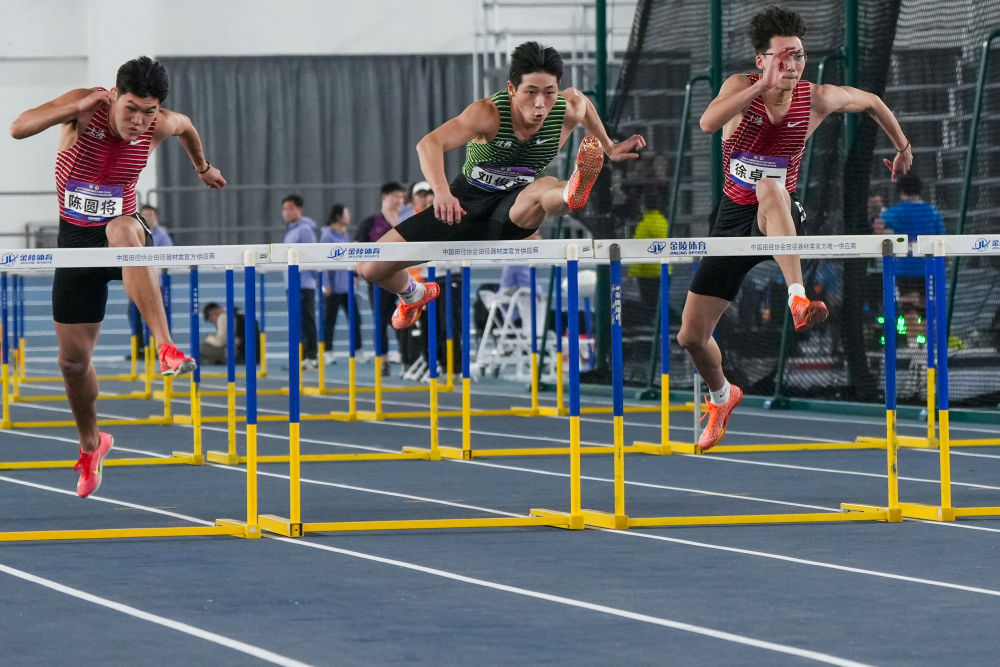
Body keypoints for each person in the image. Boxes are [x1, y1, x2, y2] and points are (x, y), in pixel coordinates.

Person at [677, 5, 912, 451]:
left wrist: (902, 146)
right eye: (782, 57)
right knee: (691, 336)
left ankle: (797, 297)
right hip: (732, 219)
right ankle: (722, 396)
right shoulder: (740, 87)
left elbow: (872, 101)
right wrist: (761, 86)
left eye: (799, 56)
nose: (793, 65)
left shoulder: (816, 98)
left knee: (770, 188)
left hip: (781, 212)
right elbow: (707, 123)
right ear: (761, 60)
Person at [9, 55, 226, 498]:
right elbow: (19, 127)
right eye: (131, 109)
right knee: (72, 363)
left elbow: (186, 127)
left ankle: (165, 346)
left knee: (123, 228)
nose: (139, 122)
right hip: (75, 241)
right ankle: (92, 444)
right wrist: (73, 108)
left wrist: (202, 167)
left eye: (148, 112)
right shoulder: (85, 107)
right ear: (114, 96)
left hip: (122, 233)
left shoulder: (159, 124)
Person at [355, 41, 646, 332]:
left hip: (514, 209)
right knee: (370, 267)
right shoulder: (487, 113)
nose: (540, 103)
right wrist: (442, 193)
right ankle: (413, 294)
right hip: (463, 206)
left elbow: (582, 103)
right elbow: (429, 144)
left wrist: (609, 147)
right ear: (512, 89)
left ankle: (572, 190)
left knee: (542, 189)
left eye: (549, 92)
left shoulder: (566, 108)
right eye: (530, 92)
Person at [355, 182, 407, 375]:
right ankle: (383, 360)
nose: (399, 201)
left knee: (405, 319)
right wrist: (356, 273)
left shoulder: (407, 219)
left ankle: (406, 358)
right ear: (384, 197)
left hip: (404, 277)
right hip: (379, 281)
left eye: (401, 197)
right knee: (381, 321)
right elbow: (357, 249)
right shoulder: (371, 223)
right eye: (395, 197)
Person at [873, 172, 944, 312]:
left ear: (900, 191)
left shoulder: (897, 211)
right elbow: (942, 239)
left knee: (909, 311)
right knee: (930, 310)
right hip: (930, 269)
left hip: (905, 269)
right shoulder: (933, 212)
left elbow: (878, 224)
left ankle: (913, 316)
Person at [127, 203, 172, 358]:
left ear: (156, 217)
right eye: (144, 215)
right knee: (133, 315)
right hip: (136, 282)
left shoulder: (162, 236)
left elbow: (170, 257)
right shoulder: (133, 232)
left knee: (156, 316)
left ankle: (160, 347)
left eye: (150, 215)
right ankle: (139, 348)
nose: (147, 218)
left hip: (157, 284)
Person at [319, 203, 362, 364]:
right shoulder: (327, 235)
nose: (349, 217)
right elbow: (323, 260)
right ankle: (327, 351)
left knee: (355, 318)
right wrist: (325, 284)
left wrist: (355, 275)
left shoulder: (345, 234)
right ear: (338, 216)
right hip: (333, 287)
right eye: (346, 214)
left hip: (347, 286)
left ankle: (358, 350)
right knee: (329, 320)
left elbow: (350, 258)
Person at [280, 194, 319, 369]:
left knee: (306, 320)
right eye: (284, 209)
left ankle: (312, 357)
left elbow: (312, 255)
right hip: (291, 283)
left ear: (299, 210)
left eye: (290, 208)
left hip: (304, 283)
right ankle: (301, 357)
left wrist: (315, 278)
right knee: (297, 322)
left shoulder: (304, 230)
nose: (286, 212)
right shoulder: (291, 230)